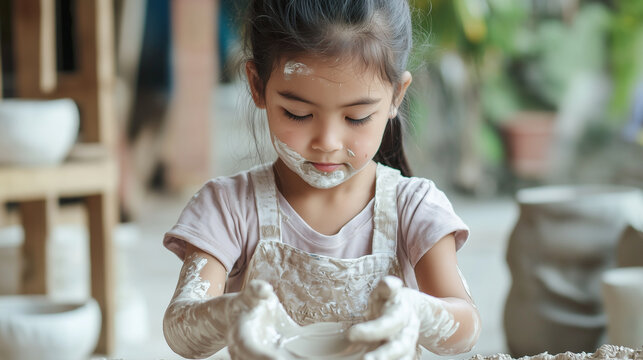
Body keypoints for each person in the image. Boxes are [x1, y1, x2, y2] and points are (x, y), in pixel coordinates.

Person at [162, 0, 481, 359]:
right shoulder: (229, 207)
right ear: (257, 85)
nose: (327, 143)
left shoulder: (414, 208)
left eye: (357, 117)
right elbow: (181, 330)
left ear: (396, 96)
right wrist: (232, 312)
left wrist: (417, 312)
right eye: (298, 114)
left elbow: (465, 330)